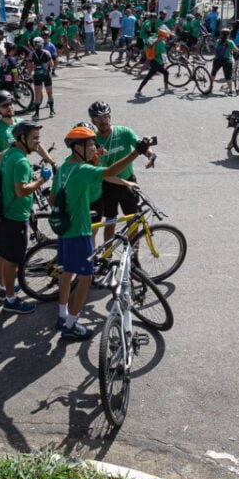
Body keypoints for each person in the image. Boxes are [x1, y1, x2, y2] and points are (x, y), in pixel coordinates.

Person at [54, 125, 151, 340]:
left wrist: (74, 201)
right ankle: (71, 324)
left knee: (66, 273)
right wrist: (136, 152)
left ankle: (61, 315)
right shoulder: (82, 170)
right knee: (85, 278)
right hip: (79, 230)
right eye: (89, 144)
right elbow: (109, 172)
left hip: (64, 230)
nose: (93, 148)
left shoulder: (63, 168)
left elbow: (53, 198)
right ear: (77, 148)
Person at [0, 120, 50, 314]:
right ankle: (10, 300)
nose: (37, 142)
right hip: (16, 217)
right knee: (13, 261)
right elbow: (21, 191)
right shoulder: (22, 161)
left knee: (3, 254)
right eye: (34, 138)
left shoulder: (10, 154)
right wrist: (42, 180)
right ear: (22, 139)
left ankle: (4, 288)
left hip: (3, 214)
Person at [89, 101, 148, 250]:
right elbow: (104, 174)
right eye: (98, 118)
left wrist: (150, 155)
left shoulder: (123, 132)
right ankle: (107, 257)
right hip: (109, 185)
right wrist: (125, 183)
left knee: (134, 220)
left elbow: (140, 145)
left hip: (128, 180)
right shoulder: (93, 143)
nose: (102, 120)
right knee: (111, 220)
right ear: (93, 121)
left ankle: (133, 259)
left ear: (110, 117)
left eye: (105, 117)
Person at [135, 26, 172, 98]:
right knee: (166, 72)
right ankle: (166, 89)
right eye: (165, 37)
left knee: (148, 77)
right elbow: (164, 56)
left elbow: (146, 48)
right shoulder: (161, 43)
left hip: (152, 61)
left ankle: (138, 92)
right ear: (161, 36)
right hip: (157, 63)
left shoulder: (154, 40)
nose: (166, 38)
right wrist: (165, 63)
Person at [29, 36, 55, 118]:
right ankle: (51, 111)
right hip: (46, 74)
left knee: (37, 94)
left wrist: (29, 75)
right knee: (49, 93)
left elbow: (30, 66)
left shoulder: (32, 54)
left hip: (37, 75)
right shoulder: (46, 52)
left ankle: (37, 114)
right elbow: (52, 64)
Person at [209, 28, 239, 95]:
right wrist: (236, 49)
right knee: (228, 76)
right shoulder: (230, 42)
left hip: (217, 59)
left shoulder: (217, 41)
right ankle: (230, 90)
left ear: (221, 34)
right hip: (227, 60)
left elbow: (215, 48)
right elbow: (235, 50)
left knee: (213, 72)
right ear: (229, 35)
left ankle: (211, 86)